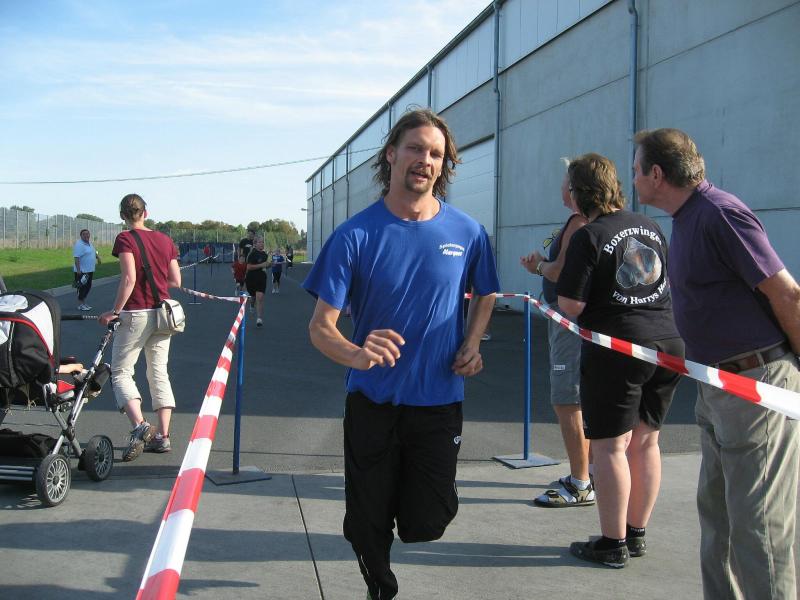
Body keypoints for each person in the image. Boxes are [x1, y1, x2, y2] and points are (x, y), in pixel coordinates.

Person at [303, 108, 499, 600]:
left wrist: (473, 342)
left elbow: (487, 291)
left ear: (443, 165)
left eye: (435, 153)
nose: (425, 160)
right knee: (367, 521)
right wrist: (356, 353)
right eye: (415, 148)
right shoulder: (355, 235)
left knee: (427, 519)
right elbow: (320, 328)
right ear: (391, 154)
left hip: (438, 401)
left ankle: (392, 512)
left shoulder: (468, 232)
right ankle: (379, 582)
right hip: (372, 401)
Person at [633, 128, 800, 599]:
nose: (634, 179)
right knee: (719, 520)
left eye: (637, 170)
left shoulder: (721, 214)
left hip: (755, 385)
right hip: (717, 385)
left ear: (657, 174)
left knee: (758, 526)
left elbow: (787, 293)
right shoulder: (688, 218)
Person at [556, 153, 683, 568]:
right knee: (646, 441)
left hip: (619, 348)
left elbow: (570, 303)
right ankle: (636, 532)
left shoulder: (589, 235)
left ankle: (612, 543)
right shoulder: (650, 226)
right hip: (667, 342)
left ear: (580, 192)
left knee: (610, 447)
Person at [520, 161, 592, 507]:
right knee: (575, 398)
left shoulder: (579, 222)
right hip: (570, 321)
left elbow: (561, 271)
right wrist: (542, 267)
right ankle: (587, 473)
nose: (561, 188)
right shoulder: (579, 222)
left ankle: (581, 482)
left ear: (575, 188)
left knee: (567, 399)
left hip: (570, 324)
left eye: (565, 182)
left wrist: (539, 266)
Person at [98, 194, 181, 461]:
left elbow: (129, 278)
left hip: (136, 312)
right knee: (158, 372)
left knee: (121, 372)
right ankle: (163, 436)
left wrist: (114, 311)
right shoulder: (165, 240)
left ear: (123, 215)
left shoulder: (125, 239)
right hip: (163, 313)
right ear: (146, 212)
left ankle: (141, 426)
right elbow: (175, 280)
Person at [73, 228, 101, 311]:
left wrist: (98, 258)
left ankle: (83, 303)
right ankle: (80, 304)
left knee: (88, 286)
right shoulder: (79, 245)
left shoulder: (89, 244)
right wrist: (78, 270)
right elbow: (76, 258)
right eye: (84, 234)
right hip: (82, 271)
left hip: (89, 270)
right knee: (82, 288)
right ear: (81, 236)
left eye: (87, 234)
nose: (86, 235)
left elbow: (93, 251)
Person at [245, 237, 269, 327]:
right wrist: (261, 265)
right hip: (251, 278)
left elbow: (265, 266)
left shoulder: (265, 254)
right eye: (260, 242)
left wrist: (270, 265)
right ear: (255, 244)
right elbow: (249, 267)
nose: (262, 244)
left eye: (263, 242)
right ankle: (251, 304)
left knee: (260, 297)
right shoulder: (252, 254)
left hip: (261, 278)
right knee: (253, 297)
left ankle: (259, 318)